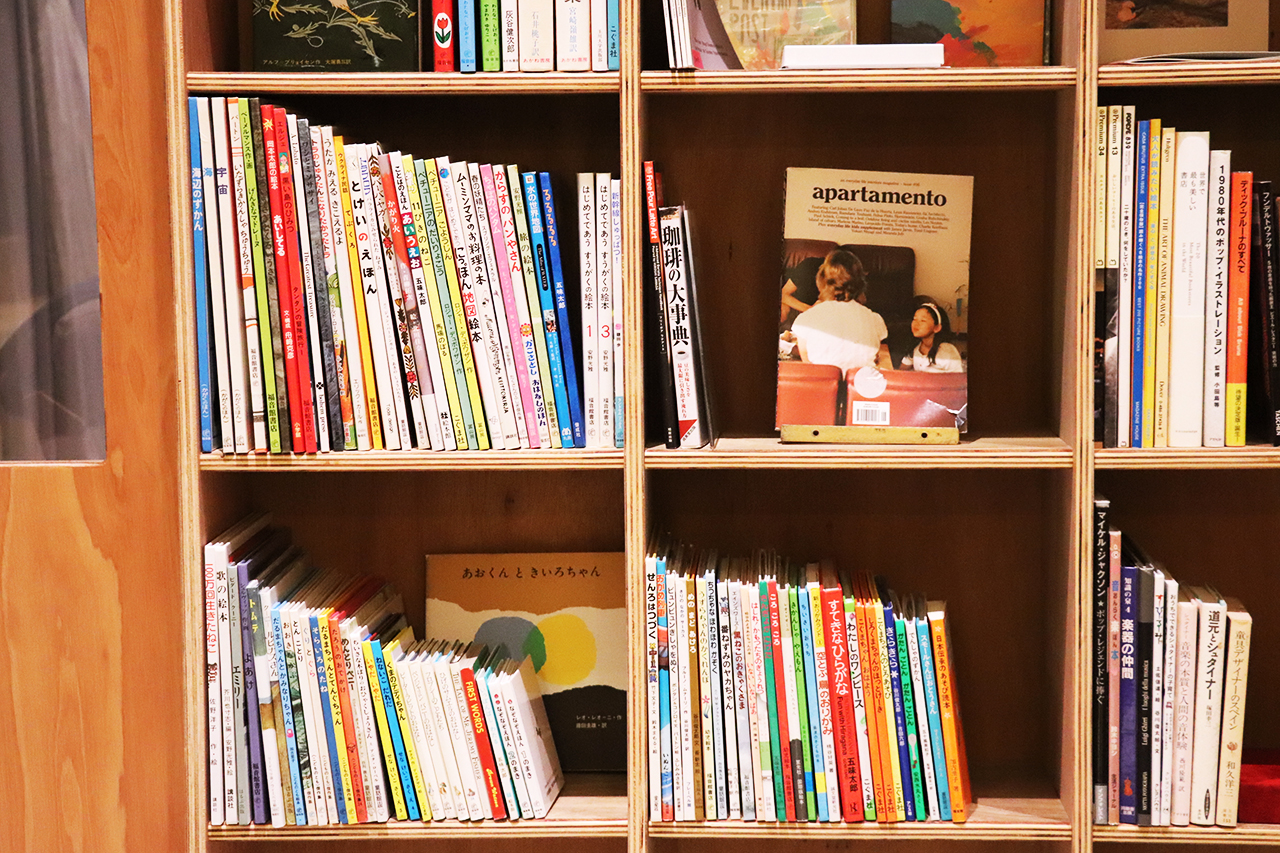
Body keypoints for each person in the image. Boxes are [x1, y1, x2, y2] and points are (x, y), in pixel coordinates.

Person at [786, 249, 893, 374]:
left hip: (825, 383)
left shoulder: (804, 320)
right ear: (860, 283)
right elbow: (873, 357)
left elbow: (809, 366)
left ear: (821, 280)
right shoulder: (875, 320)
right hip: (858, 384)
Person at [900, 300, 964, 373]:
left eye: (923, 320)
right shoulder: (915, 347)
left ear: (937, 328)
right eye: (915, 319)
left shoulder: (947, 351)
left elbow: (957, 378)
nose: (916, 324)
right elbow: (901, 372)